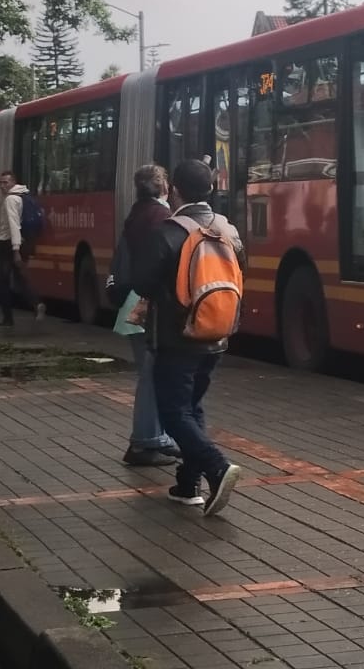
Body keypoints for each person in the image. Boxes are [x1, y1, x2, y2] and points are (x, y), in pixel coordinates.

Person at [132, 158, 244, 517]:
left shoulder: (169, 231)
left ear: (175, 190)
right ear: (210, 188)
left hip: (177, 335)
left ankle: (216, 466)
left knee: (173, 411)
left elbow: (142, 282)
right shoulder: (229, 230)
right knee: (191, 407)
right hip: (218, 333)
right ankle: (188, 485)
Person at [112, 165, 180, 468]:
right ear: (164, 186)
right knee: (152, 377)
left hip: (132, 303)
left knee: (150, 375)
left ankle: (151, 437)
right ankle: (146, 441)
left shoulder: (137, 213)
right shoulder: (160, 218)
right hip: (146, 306)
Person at [0, 170, 45, 327]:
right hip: (21, 243)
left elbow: (14, 225)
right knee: (19, 279)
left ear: (13, 183)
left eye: (6, 182)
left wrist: (15, 250)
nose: (3, 186)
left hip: (9, 245)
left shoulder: (11, 199)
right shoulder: (24, 196)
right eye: (1, 183)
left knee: (3, 282)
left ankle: (7, 318)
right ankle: (36, 304)